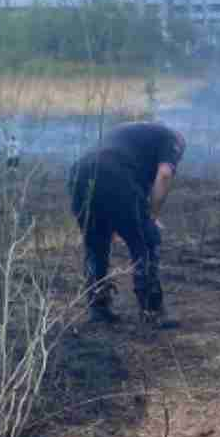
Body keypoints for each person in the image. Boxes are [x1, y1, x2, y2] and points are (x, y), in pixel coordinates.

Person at [67, 122, 186, 325]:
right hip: (114, 173)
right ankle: (152, 311)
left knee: (96, 244)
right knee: (147, 241)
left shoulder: (133, 134)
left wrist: (116, 221)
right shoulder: (172, 139)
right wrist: (152, 217)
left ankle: (98, 309)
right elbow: (164, 175)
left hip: (79, 174)